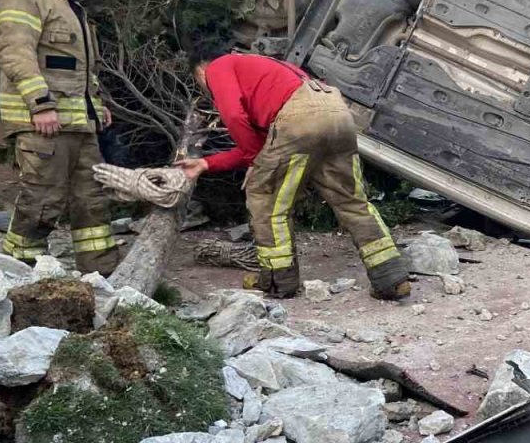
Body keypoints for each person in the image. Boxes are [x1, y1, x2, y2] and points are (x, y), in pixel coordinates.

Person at [176, 48, 411, 300]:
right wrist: (206, 164)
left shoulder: (218, 66)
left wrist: (255, 160)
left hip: (298, 120)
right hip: (336, 114)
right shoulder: (263, 70)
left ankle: (279, 281)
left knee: (266, 198)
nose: (205, 89)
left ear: (200, 70)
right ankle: (391, 278)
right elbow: (263, 148)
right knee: (352, 201)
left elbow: (234, 116)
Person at [0, 0, 120, 274]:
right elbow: (14, 52)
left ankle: (103, 277)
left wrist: (97, 105)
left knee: (92, 203)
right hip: (44, 124)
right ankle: (18, 272)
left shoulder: (69, 6)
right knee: (42, 201)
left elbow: (75, 69)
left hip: (80, 125)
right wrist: (41, 104)